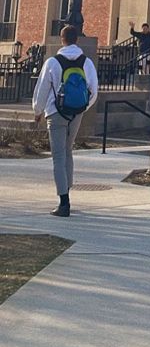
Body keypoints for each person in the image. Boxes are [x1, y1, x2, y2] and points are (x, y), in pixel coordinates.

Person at [32, 25, 98, 217]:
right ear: (76, 39)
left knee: (58, 156)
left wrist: (38, 110)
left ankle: (63, 202)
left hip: (56, 113)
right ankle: (66, 191)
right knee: (68, 151)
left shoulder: (53, 62)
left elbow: (42, 88)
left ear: (62, 39)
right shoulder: (86, 62)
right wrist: (82, 108)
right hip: (76, 113)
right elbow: (93, 89)